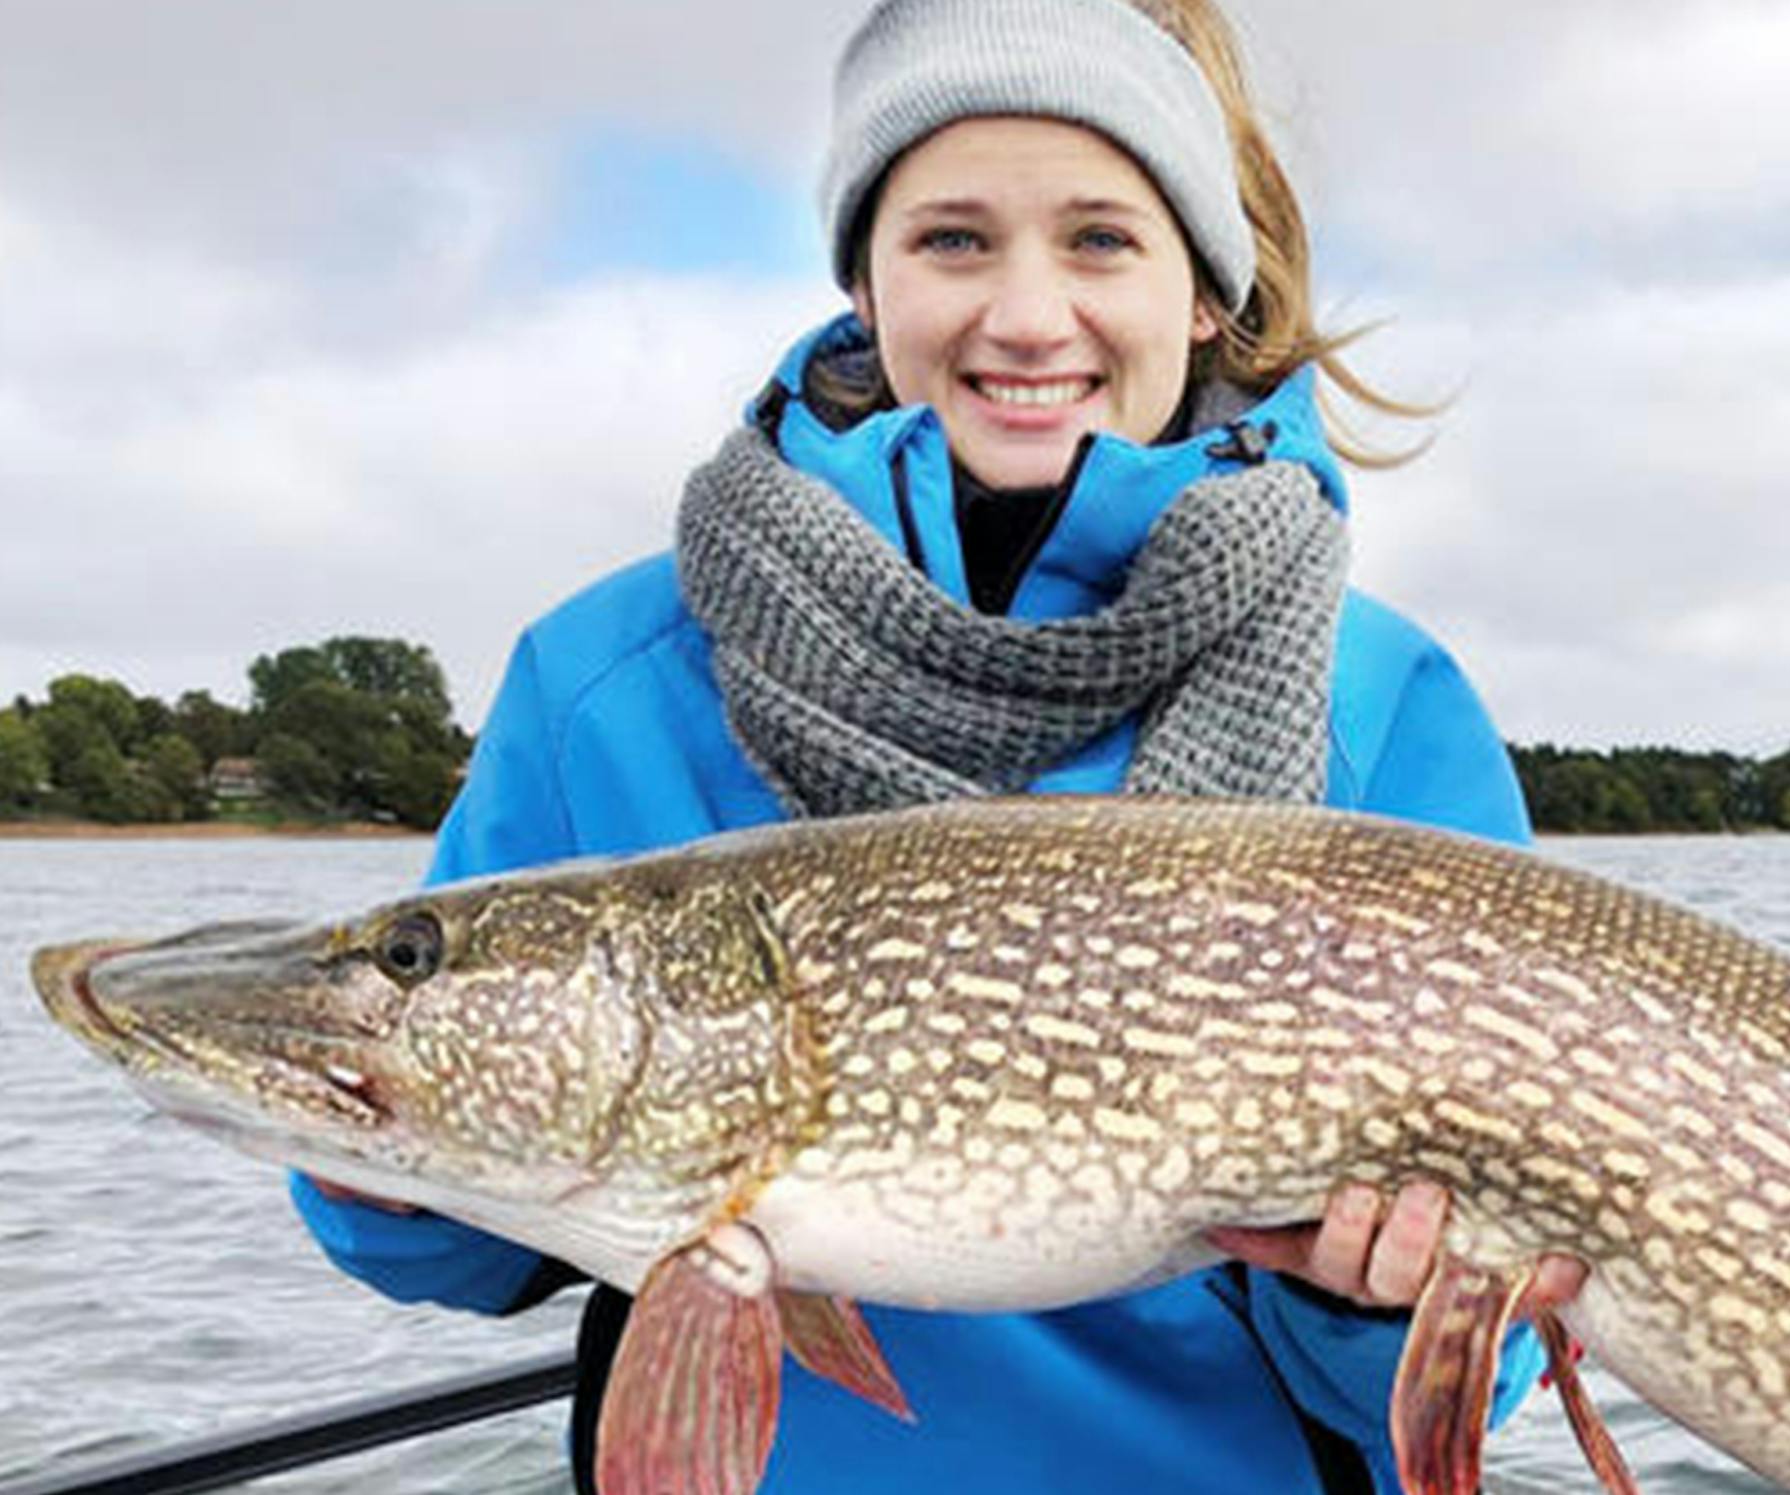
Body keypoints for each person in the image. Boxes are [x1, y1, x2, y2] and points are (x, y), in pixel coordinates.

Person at [292, 0, 1550, 1489]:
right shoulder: (606, 684)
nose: (1026, 315)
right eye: (954, 239)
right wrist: (377, 1120)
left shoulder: (1386, 707)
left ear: (1205, 292)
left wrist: (1371, 1297)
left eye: (1100, 240)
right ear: (863, 279)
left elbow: (1479, 1384)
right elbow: (420, 1252)